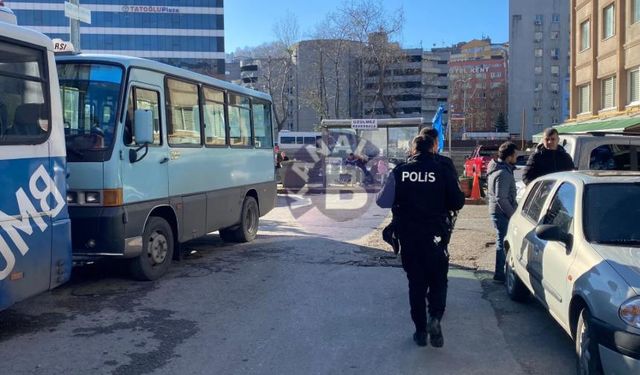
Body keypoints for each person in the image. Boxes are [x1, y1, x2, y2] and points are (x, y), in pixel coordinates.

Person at [376, 134, 465, 348]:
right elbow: (458, 202)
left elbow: (382, 201)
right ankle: (435, 317)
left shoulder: (400, 171)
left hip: (409, 236)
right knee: (438, 280)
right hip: (436, 236)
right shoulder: (442, 169)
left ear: (413, 150)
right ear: (433, 148)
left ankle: (420, 331)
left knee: (416, 284)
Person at [487, 142, 518, 283]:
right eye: (515, 155)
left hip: (497, 211)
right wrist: (513, 215)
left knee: (501, 241)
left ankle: (500, 273)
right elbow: (501, 197)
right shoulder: (503, 173)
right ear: (509, 156)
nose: (516, 157)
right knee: (502, 243)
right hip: (501, 213)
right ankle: (499, 274)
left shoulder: (498, 169)